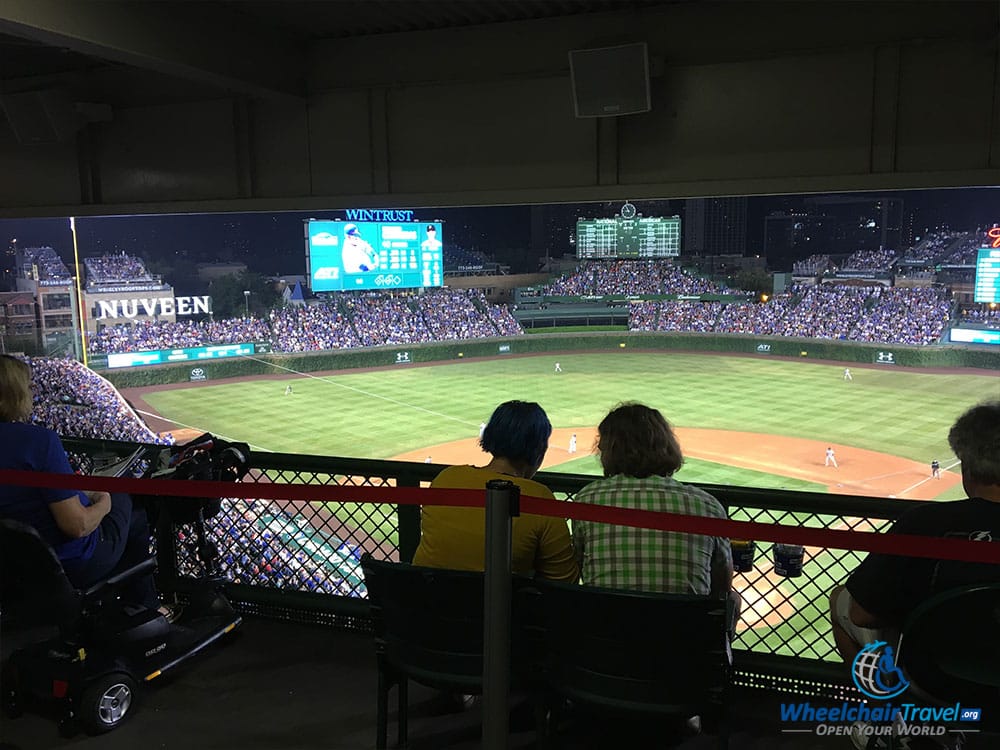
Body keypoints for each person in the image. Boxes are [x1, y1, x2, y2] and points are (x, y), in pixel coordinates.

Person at [829, 400, 1000, 664]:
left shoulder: (924, 521)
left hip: (934, 673)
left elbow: (861, 615)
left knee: (839, 599)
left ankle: (884, 702)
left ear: (967, 467)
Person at [0, 355, 164, 615]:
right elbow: (78, 526)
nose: (32, 392)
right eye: (28, 386)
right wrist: (104, 501)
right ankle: (146, 608)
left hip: (10, 567)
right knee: (129, 505)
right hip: (67, 566)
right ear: (14, 394)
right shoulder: (39, 442)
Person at [572, 402, 736, 605]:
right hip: (686, 633)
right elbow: (722, 587)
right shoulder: (707, 505)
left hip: (604, 632)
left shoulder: (588, 499)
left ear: (609, 449)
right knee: (732, 601)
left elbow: (577, 567)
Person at [413, 400, 578, 582]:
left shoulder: (446, 478)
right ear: (539, 448)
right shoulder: (539, 497)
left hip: (426, 601)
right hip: (499, 607)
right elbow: (565, 581)